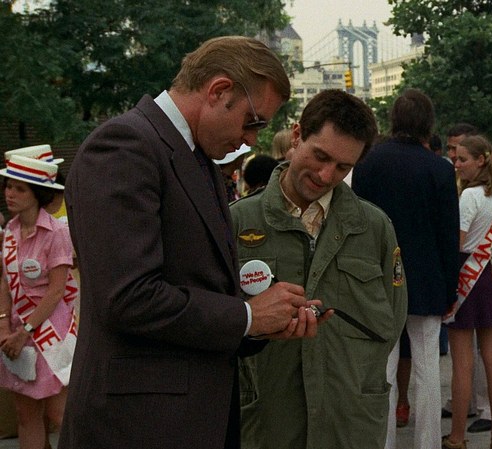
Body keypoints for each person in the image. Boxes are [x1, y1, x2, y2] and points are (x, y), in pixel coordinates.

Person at [60, 36, 326, 449]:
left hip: (185, 420)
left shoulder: (194, 156)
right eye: (252, 121)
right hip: (136, 427)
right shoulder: (125, 146)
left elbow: (199, 286)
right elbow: (128, 297)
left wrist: (265, 321)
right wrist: (247, 316)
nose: (251, 140)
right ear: (218, 91)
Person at [232, 89, 407, 448]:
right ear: (297, 136)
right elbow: (216, 321)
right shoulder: (236, 222)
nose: (327, 175)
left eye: (343, 167)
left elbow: (392, 318)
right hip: (266, 424)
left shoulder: (375, 228)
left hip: (349, 424)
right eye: (321, 156)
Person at [353, 88, 459, 449]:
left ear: (393, 119)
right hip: (427, 280)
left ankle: (383, 442)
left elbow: (359, 225)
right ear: (429, 124)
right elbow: (448, 234)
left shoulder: (368, 164)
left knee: (384, 368)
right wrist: (450, 288)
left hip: (379, 278)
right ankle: (427, 442)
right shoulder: (440, 169)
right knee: (428, 367)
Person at [0, 154, 75, 449]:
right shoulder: (9, 233)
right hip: (16, 336)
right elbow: (5, 283)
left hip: (50, 334)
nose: (9, 194)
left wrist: (25, 332)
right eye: (8, 187)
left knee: (60, 415)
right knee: (25, 414)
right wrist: (4, 328)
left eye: (19, 189)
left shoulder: (57, 232)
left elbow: (56, 291)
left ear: (37, 194)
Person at [442, 135, 492, 449]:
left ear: (480, 160)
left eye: (462, 159)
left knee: (463, 362)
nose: (456, 165)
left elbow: (457, 242)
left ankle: (458, 437)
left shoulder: (469, 196)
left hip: (467, 275)